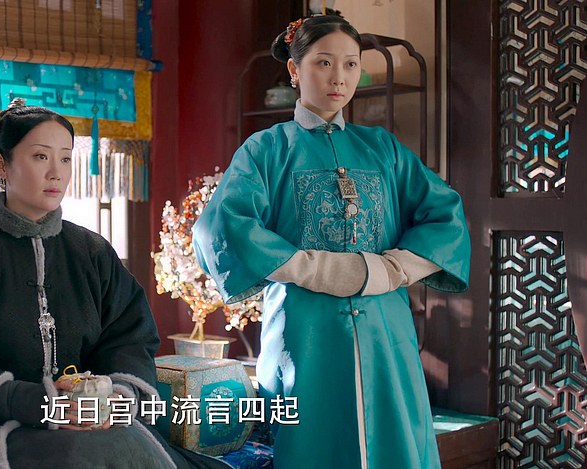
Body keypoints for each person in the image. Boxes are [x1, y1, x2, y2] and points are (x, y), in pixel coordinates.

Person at [192, 13, 470, 469]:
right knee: (311, 445)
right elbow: (222, 226)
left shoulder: (382, 148)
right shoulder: (267, 149)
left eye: (350, 64)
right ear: (294, 69)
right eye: (324, 62)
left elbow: (446, 214)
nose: (339, 78)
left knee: (396, 444)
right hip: (304, 334)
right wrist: (313, 268)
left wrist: (392, 270)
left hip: (387, 334)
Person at [0, 101, 229, 469]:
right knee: (78, 455)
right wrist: (36, 402)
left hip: (93, 423)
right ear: (2, 165)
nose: (55, 173)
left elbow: (130, 336)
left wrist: (116, 396)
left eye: (65, 158)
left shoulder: (91, 252)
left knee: (128, 446)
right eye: (40, 156)